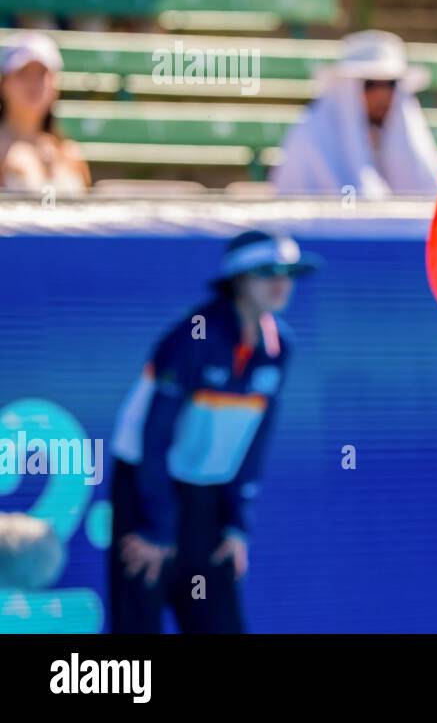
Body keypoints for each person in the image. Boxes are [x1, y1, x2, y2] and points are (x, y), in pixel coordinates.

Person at [106, 230, 320, 633]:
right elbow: (154, 438)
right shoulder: (193, 337)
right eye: (267, 271)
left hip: (207, 500)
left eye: (288, 272)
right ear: (238, 280)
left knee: (217, 621)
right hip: (147, 490)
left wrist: (237, 523)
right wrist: (157, 525)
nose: (281, 283)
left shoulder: (280, 349)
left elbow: (254, 445)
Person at [272, 29, 437, 198]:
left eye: (390, 84)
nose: (382, 94)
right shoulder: (310, 138)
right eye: (370, 84)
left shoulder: (395, 134)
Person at [0, 30, 89, 193]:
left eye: (42, 74)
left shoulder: (70, 152)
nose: (33, 83)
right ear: (4, 83)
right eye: (23, 73)